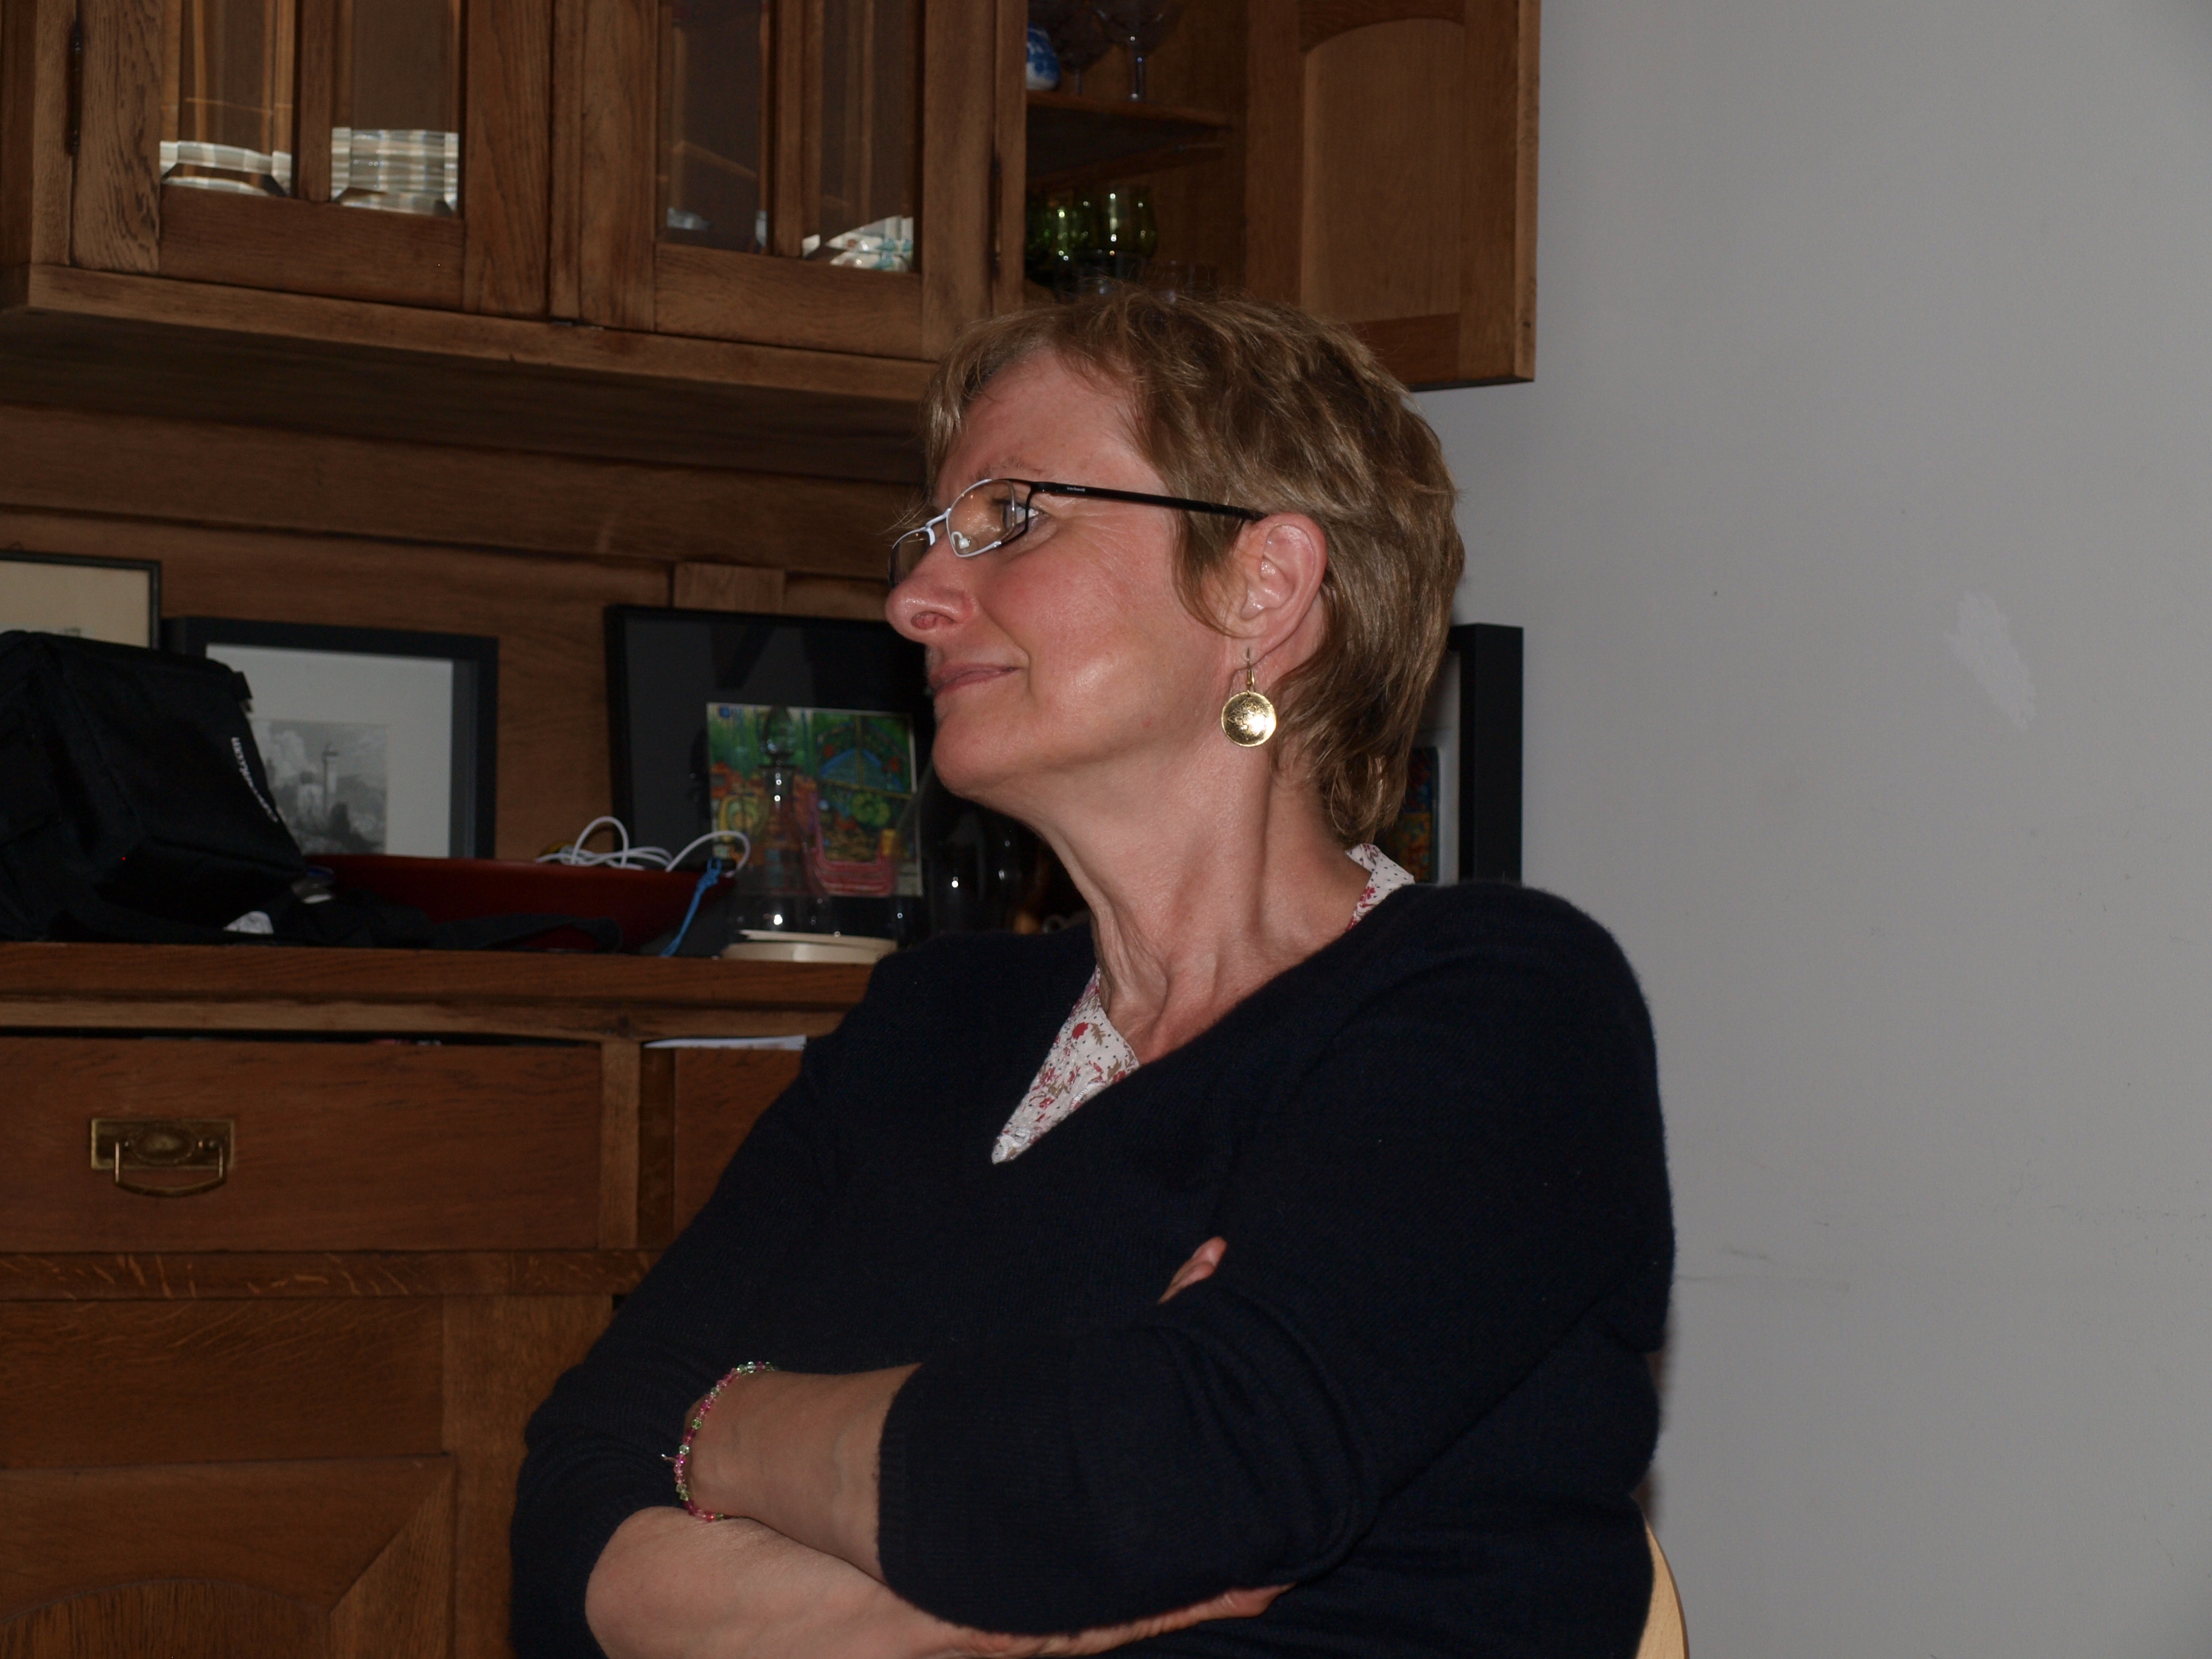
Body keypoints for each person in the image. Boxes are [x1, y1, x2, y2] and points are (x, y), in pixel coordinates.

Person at [512, 290, 1673, 1659]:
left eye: (1011, 518)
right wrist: (989, 1612)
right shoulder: (934, 1022)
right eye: (929, 536)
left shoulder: (1498, 1009)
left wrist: (729, 1425)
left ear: (1262, 585)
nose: (914, 600)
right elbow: (566, 1525)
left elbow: (1166, 1484)